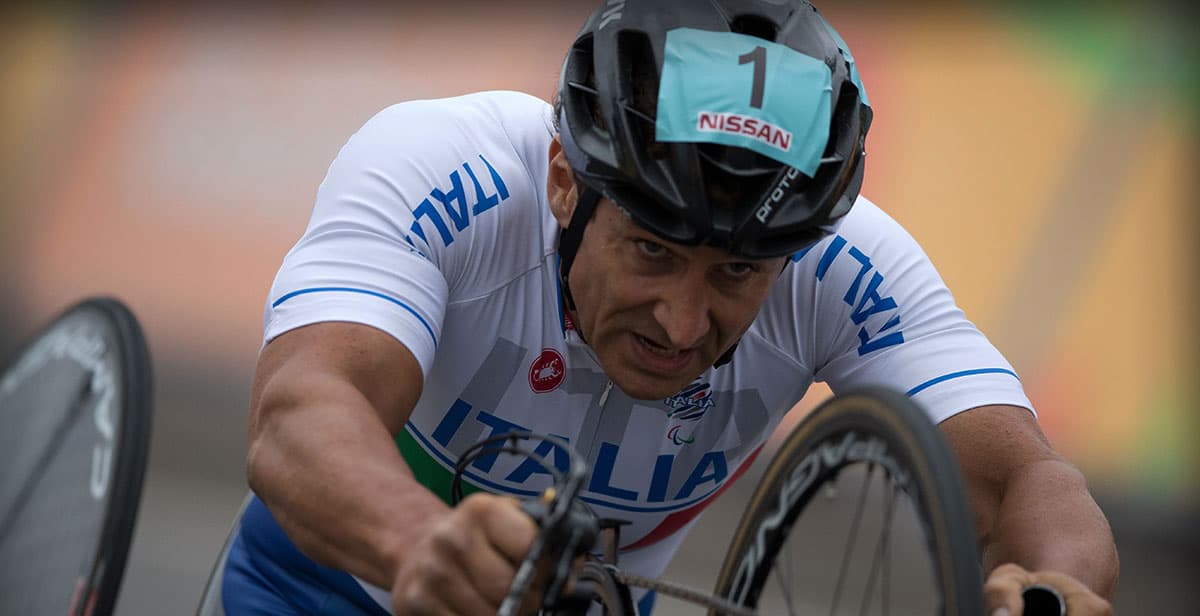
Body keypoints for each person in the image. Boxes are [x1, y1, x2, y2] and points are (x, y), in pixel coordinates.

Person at [222, 1, 1118, 614]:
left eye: (737, 273)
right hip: (327, 586)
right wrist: (416, 541)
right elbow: (302, 409)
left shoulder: (842, 264)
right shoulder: (446, 166)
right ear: (565, 181)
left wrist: (1053, 585)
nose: (682, 325)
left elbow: (1027, 480)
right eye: (654, 251)